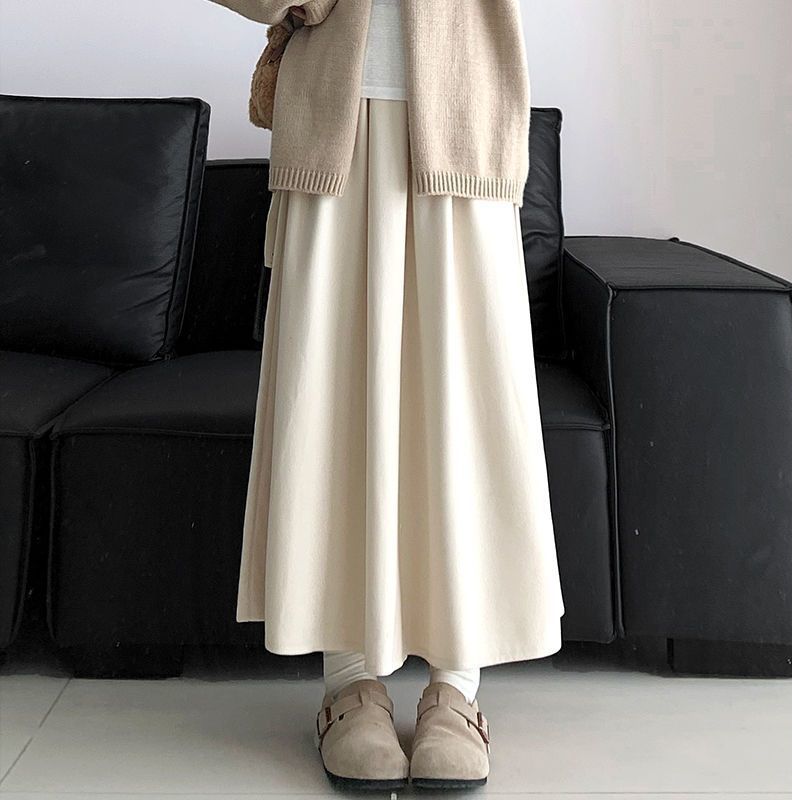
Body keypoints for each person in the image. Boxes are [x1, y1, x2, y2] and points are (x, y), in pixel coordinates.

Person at [209, 0, 565, 790]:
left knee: (464, 408)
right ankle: (349, 683)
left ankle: (457, 686)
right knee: (329, 405)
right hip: (331, 130)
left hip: (466, 119)